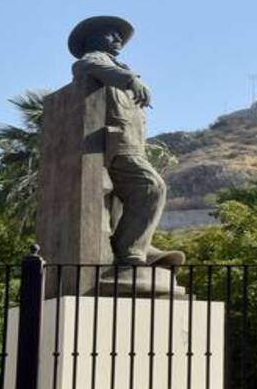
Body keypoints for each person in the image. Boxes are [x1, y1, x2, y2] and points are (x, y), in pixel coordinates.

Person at [68, 15, 184, 268]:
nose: (119, 38)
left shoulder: (116, 68)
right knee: (151, 187)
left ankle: (136, 245)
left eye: (120, 35)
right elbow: (84, 67)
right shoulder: (95, 59)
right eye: (111, 33)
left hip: (131, 145)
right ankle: (129, 251)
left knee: (124, 203)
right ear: (92, 39)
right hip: (115, 146)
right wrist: (129, 78)